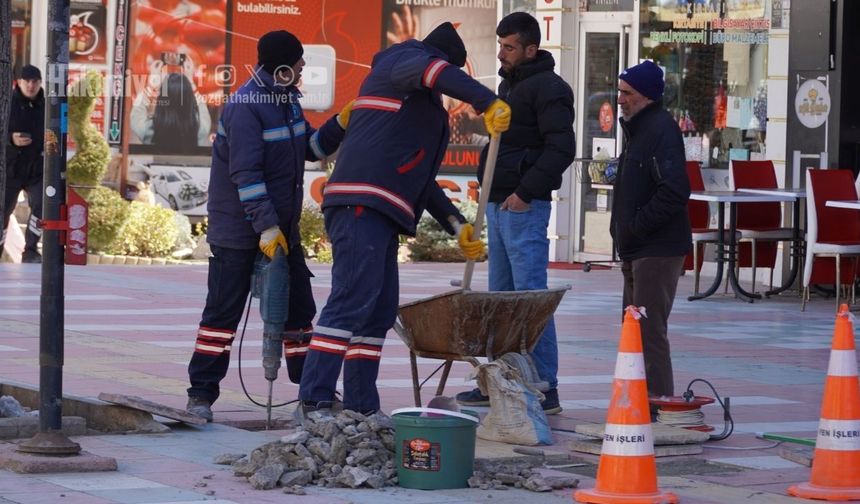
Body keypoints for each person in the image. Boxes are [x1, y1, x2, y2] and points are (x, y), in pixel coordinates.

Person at [296, 22, 511, 418]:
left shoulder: (421, 109)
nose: (447, 86)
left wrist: (455, 224)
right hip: (361, 200)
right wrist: (486, 101)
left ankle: (362, 406)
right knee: (351, 300)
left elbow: (422, 182)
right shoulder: (403, 61)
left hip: (381, 210)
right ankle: (314, 400)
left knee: (377, 310)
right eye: (450, 74)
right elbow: (434, 71)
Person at [185, 30, 353, 421]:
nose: (303, 68)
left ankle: (313, 394)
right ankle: (201, 395)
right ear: (281, 67)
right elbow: (246, 173)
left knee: (298, 310)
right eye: (298, 63)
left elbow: (310, 148)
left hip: (282, 230)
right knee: (222, 314)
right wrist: (264, 227)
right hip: (240, 233)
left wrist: (339, 125)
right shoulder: (246, 107)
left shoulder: (287, 101)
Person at [455, 12, 575, 415]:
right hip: (498, 201)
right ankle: (503, 382)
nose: (502, 54)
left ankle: (545, 385)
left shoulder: (549, 88)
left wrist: (526, 192)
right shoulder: (510, 86)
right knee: (503, 301)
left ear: (530, 49)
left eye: (509, 47)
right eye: (500, 46)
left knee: (530, 300)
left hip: (523, 206)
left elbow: (561, 148)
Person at [610, 60, 691, 400]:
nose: (619, 99)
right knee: (633, 331)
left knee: (648, 332)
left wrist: (636, 227)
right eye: (618, 91)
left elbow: (675, 190)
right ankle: (638, 402)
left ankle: (657, 405)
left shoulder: (660, 129)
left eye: (625, 93)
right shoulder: (638, 129)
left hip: (656, 249)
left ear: (645, 96)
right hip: (637, 247)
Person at [2, 65, 45, 264]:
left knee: (41, 206)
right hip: (12, 168)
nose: (30, 85)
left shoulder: (47, 105)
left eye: (35, 81)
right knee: (3, 210)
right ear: (18, 82)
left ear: (40, 83)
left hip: (36, 169)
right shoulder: (7, 103)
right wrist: (11, 139)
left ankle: (31, 249)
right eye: (26, 81)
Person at [130, 59, 212, 148]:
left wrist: (152, 83)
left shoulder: (147, 131)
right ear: (190, 100)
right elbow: (202, 108)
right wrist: (191, 82)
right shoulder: (201, 129)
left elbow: (137, 112)